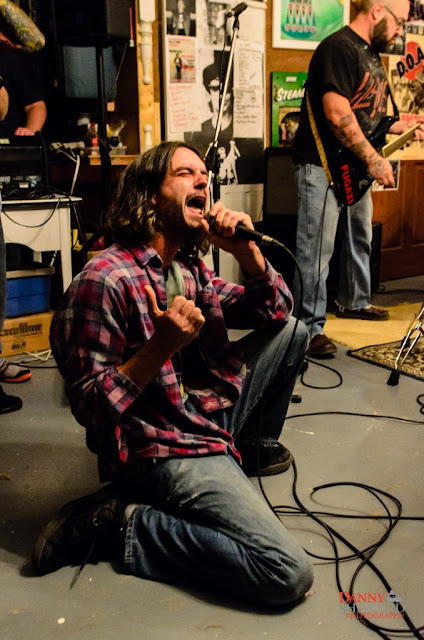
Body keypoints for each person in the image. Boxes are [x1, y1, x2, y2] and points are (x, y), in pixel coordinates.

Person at [32, 141, 314, 606]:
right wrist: (158, 349)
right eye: (185, 173)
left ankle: (247, 449)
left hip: (199, 413)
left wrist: (247, 253)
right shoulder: (104, 279)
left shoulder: (187, 267)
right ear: (149, 196)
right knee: (286, 572)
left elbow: (277, 312)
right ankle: (122, 523)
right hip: (160, 445)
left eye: (205, 174)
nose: (203, 180)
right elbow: (89, 409)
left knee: (294, 333)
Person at [292, 0, 424, 358]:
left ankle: (354, 301)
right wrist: (375, 160)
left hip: (354, 166)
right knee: (315, 252)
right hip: (322, 164)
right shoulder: (339, 47)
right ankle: (306, 329)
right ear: (378, 11)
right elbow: (337, 114)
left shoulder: (371, 54)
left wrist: (403, 126)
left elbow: (368, 116)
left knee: (359, 238)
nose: (400, 32)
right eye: (399, 22)